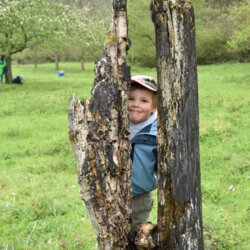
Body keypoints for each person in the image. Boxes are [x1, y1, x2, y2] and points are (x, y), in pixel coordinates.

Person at [128, 75, 158, 229]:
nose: (135, 104)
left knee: (136, 233)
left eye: (144, 101)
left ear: (154, 107)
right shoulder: (113, 123)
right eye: (131, 98)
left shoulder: (158, 131)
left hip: (140, 196)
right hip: (111, 193)